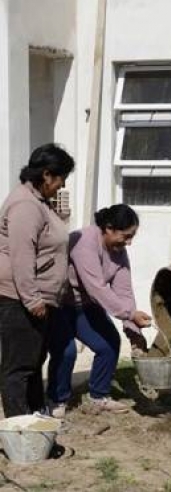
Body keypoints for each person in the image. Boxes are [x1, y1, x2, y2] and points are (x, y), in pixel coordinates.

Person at [46, 204, 153, 417]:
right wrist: (130, 314)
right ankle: (57, 399)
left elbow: (124, 291)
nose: (129, 242)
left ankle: (99, 396)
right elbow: (96, 288)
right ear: (109, 228)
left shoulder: (119, 251)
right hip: (58, 303)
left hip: (85, 306)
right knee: (66, 352)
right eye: (126, 236)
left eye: (132, 237)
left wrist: (133, 331)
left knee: (109, 344)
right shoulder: (84, 242)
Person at [0, 143, 74, 417]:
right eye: (61, 177)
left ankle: (35, 415)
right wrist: (32, 299)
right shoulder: (25, 204)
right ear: (46, 175)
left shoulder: (39, 202)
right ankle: (19, 427)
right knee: (18, 367)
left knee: (32, 362)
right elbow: (21, 255)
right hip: (20, 298)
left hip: (36, 297)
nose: (62, 184)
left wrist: (60, 215)